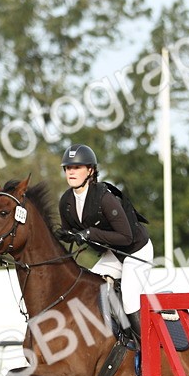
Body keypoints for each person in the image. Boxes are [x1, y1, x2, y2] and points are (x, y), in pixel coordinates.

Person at [57, 144, 153, 342]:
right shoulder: (66, 201)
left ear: (90, 170)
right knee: (92, 289)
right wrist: (67, 235)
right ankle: (118, 341)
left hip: (136, 251)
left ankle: (148, 350)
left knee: (129, 298)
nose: (71, 172)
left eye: (77, 167)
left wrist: (90, 233)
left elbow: (125, 237)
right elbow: (75, 234)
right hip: (113, 254)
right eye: (68, 168)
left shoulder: (104, 197)